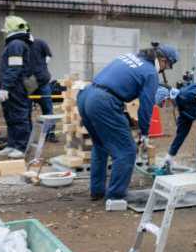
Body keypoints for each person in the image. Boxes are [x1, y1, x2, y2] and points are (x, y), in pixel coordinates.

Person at [77, 44, 179, 210]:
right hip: (103, 102)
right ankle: (116, 196)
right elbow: (146, 106)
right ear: (163, 59)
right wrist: (145, 133)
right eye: (168, 65)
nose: (164, 70)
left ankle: (97, 191)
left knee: (100, 145)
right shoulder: (150, 72)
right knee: (126, 151)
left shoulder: (130, 57)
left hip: (85, 95)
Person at [0, 16, 36, 159]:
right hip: (13, 86)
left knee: (19, 116)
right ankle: (12, 144)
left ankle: (21, 147)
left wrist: (5, 87)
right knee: (10, 116)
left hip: (16, 87)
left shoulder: (15, 44)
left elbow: (14, 68)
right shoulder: (16, 43)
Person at [27, 29, 56, 142]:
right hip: (28, 82)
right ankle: (28, 134)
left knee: (48, 108)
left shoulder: (40, 43)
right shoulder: (20, 45)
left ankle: (50, 133)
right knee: (26, 110)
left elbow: (49, 55)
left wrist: (42, 65)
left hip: (42, 80)